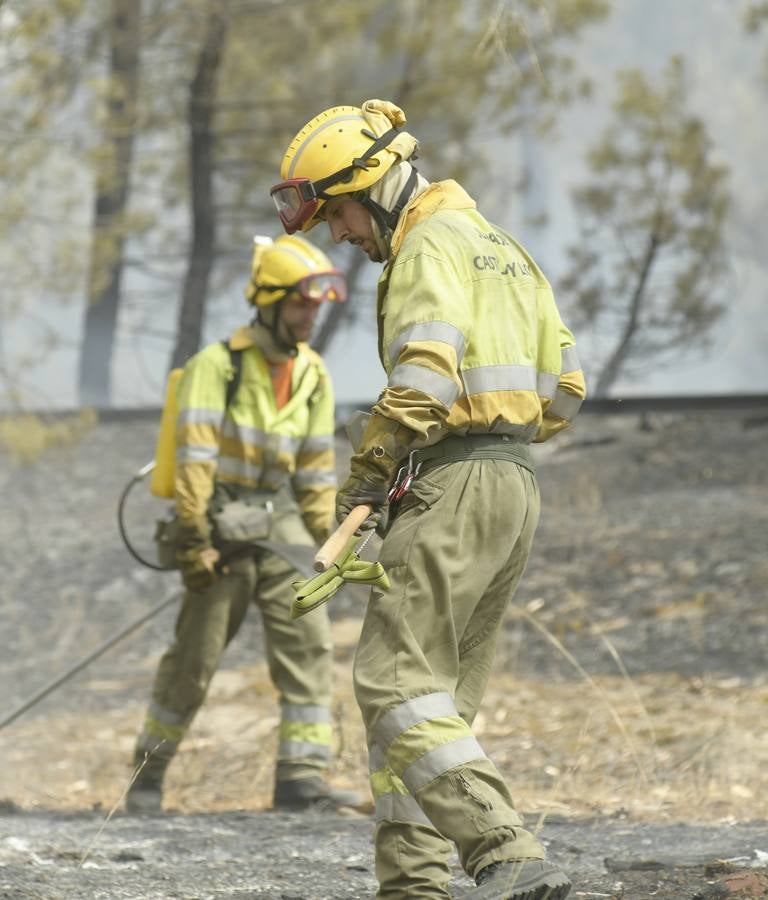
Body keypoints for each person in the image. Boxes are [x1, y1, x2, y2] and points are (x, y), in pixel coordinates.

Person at [269, 100, 585, 900]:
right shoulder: (499, 245)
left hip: (453, 483)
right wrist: (494, 440)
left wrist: (373, 473)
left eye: (336, 213)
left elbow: (423, 377)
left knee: (391, 683)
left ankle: (506, 853)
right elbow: (568, 391)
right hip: (512, 487)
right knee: (428, 711)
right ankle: (413, 885)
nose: (338, 235)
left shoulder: (426, 246)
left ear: (370, 185)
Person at [126, 234, 363, 815]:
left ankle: (300, 779)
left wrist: (333, 545)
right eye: (300, 304)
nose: (310, 316)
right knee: (195, 659)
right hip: (218, 521)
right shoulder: (216, 366)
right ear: (269, 302)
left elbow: (312, 473)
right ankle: (147, 778)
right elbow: (196, 461)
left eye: (316, 306)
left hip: (278, 519)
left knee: (308, 645)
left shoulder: (312, 372)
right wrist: (193, 540)